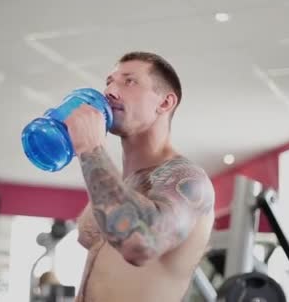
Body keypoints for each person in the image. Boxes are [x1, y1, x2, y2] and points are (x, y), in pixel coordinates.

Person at [64, 51, 216, 302]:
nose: (110, 91)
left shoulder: (188, 180)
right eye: (109, 82)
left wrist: (91, 149)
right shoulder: (120, 185)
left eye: (129, 81)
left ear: (165, 103)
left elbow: (140, 245)